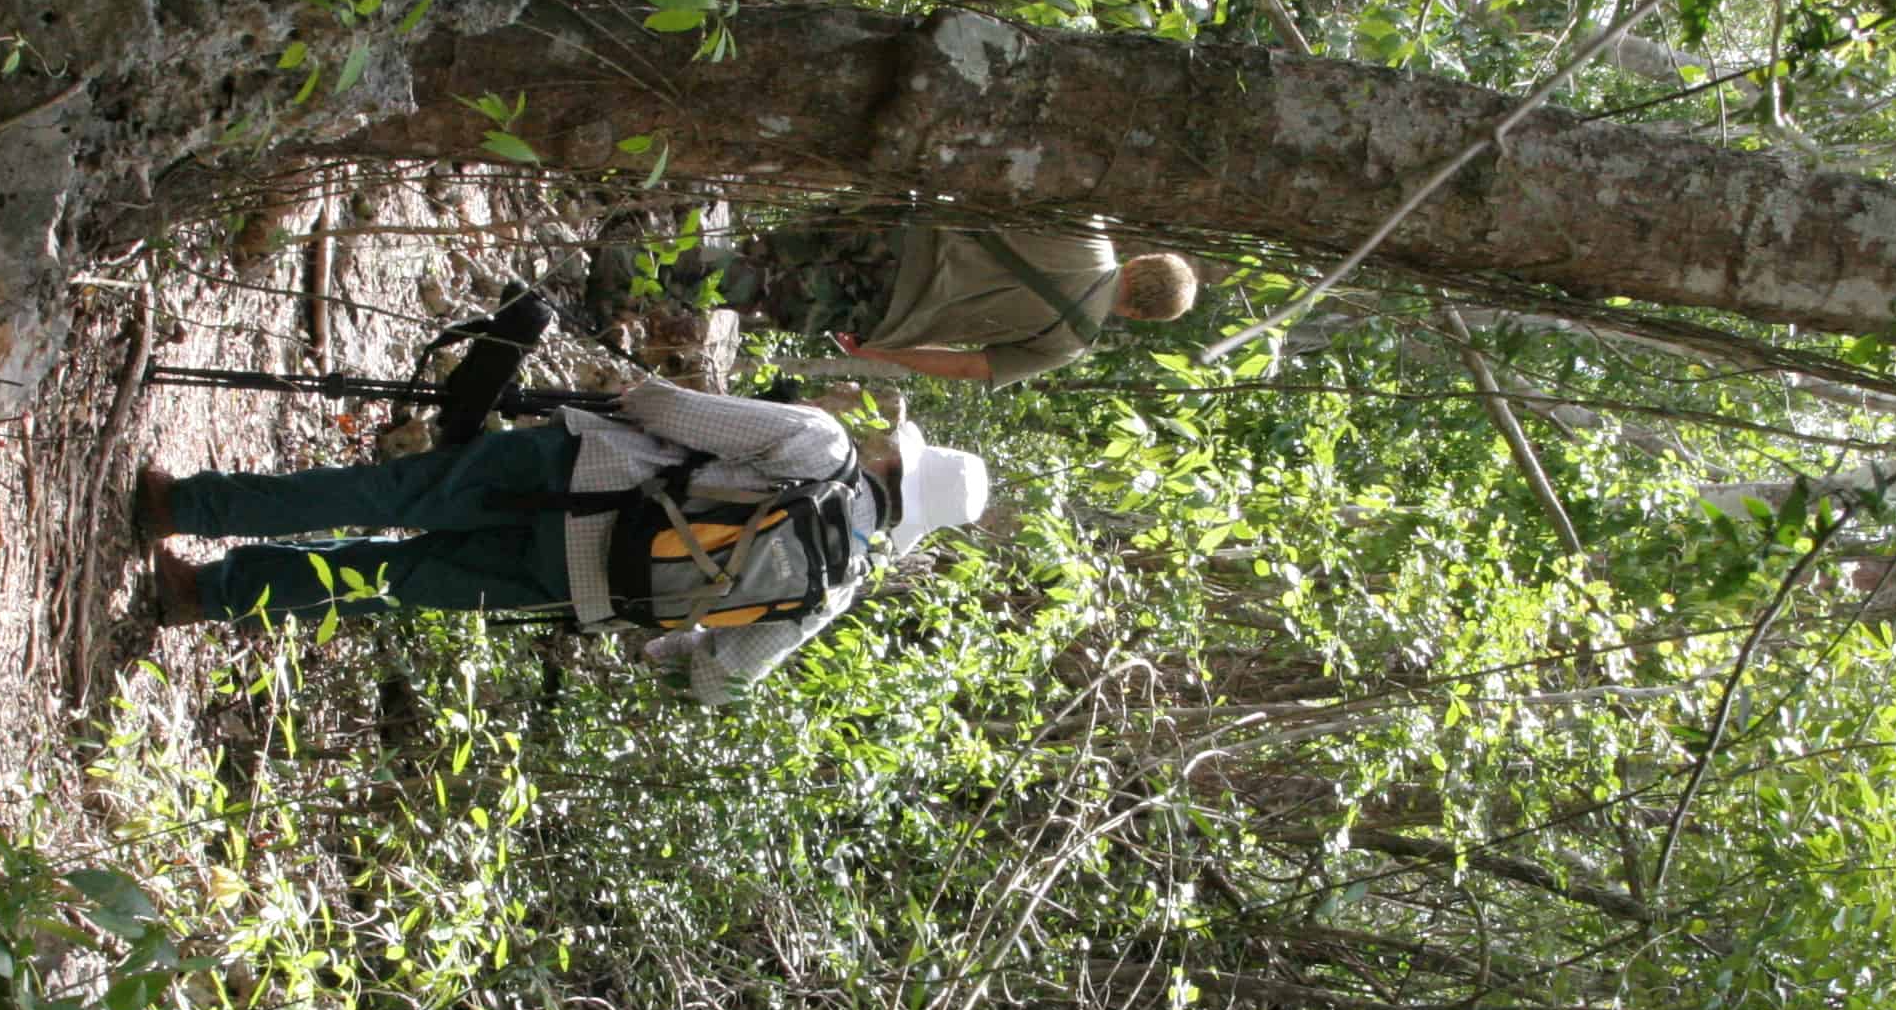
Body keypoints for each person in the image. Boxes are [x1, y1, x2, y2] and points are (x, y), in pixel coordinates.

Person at [133, 380, 989, 704]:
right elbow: (719, 673)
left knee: (388, 493)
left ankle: (188, 508)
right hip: (577, 587)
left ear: (890, 460)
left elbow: (666, 411)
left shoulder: (819, 446)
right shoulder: (836, 588)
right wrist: (666, 613)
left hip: (572, 475)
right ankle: (199, 596)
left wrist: (623, 398)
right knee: (382, 578)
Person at [620, 213, 1198, 386]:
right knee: (759, 291)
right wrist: (881, 355)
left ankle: (632, 251)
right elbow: (972, 364)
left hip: (897, 229)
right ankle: (625, 274)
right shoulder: (1071, 343)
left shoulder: (1087, 229)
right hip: (887, 310)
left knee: (763, 253)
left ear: (1143, 259)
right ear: (1139, 315)